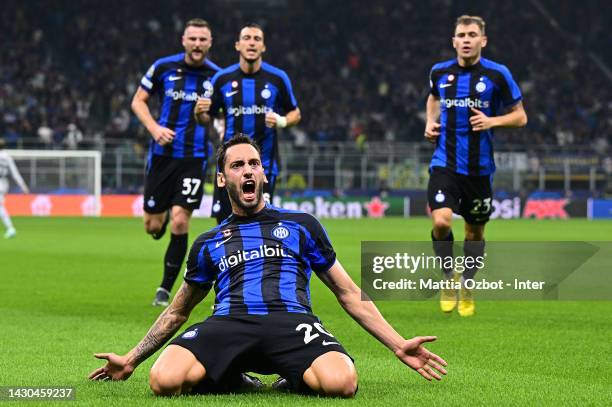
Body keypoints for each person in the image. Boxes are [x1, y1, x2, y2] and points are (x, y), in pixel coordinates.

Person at [89, 135, 447, 397]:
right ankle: (233, 378)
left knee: (342, 383)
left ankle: (288, 376)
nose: (248, 171)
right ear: (221, 179)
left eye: (254, 164)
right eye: (237, 165)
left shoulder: (302, 225)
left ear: (263, 175)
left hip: (292, 322)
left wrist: (398, 344)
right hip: (229, 323)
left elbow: (348, 293)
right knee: (163, 381)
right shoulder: (208, 242)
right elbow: (178, 311)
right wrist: (132, 359)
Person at [424, 15, 527, 316]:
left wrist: (492, 120)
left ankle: (467, 282)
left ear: (483, 40)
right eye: (460, 35)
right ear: (453, 41)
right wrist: (431, 122)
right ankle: (448, 278)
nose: (466, 40)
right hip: (445, 163)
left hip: (480, 170)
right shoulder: (439, 72)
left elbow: (521, 117)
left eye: (472, 34)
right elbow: (432, 98)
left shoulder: (498, 74)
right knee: (441, 221)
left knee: (474, 235)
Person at [131, 18, 221, 306]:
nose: (197, 44)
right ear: (184, 40)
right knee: (153, 226)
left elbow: (218, 118)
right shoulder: (163, 67)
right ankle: (163, 213)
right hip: (162, 158)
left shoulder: (217, 77)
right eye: (192, 39)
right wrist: (155, 129)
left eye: (202, 39)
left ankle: (165, 288)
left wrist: (207, 119)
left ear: (210, 43)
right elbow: (138, 101)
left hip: (194, 158)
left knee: (181, 221)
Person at [195, 23, 301, 224]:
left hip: (264, 166)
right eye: (247, 38)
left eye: (257, 39)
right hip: (229, 168)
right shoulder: (222, 79)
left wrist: (282, 120)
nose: (251, 43)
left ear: (263, 47)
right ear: (238, 45)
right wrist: (198, 112)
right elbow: (205, 118)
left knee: (260, 224)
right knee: (226, 225)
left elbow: (295, 113)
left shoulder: (278, 78)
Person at [0, 139, 30, 239]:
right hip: (3, 183)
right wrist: (23, 185)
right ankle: (10, 228)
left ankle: (10, 228)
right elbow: (15, 173)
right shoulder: (7, 157)